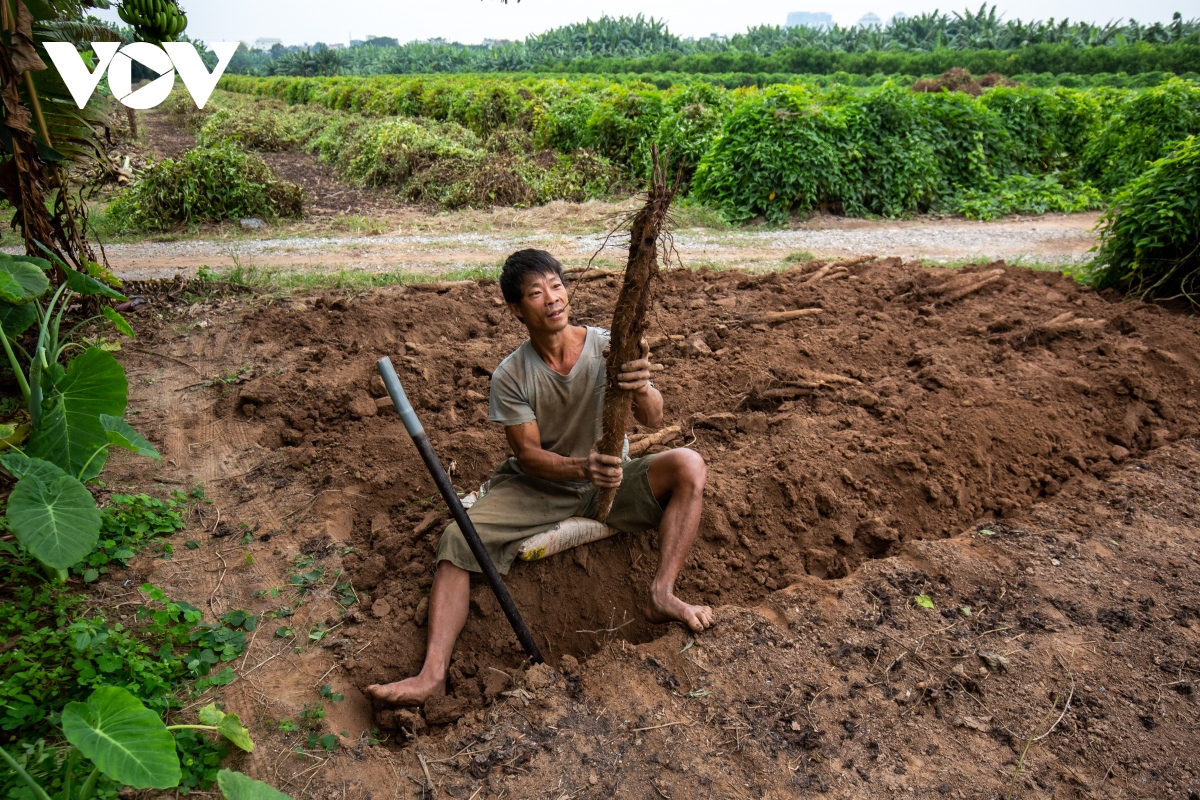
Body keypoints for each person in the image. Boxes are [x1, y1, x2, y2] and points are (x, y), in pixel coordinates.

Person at [366, 249, 712, 706]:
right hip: (539, 488)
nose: (552, 299)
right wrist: (581, 468)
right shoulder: (512, 375)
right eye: (536, 292)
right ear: (516, 309)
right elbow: (528, 456)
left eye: (557, 286)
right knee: (457, 538)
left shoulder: (608, 345)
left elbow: (651, 417)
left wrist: (642, 385)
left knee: (690, 464)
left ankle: (662, 593)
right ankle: (432, 674)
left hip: (612, 479)